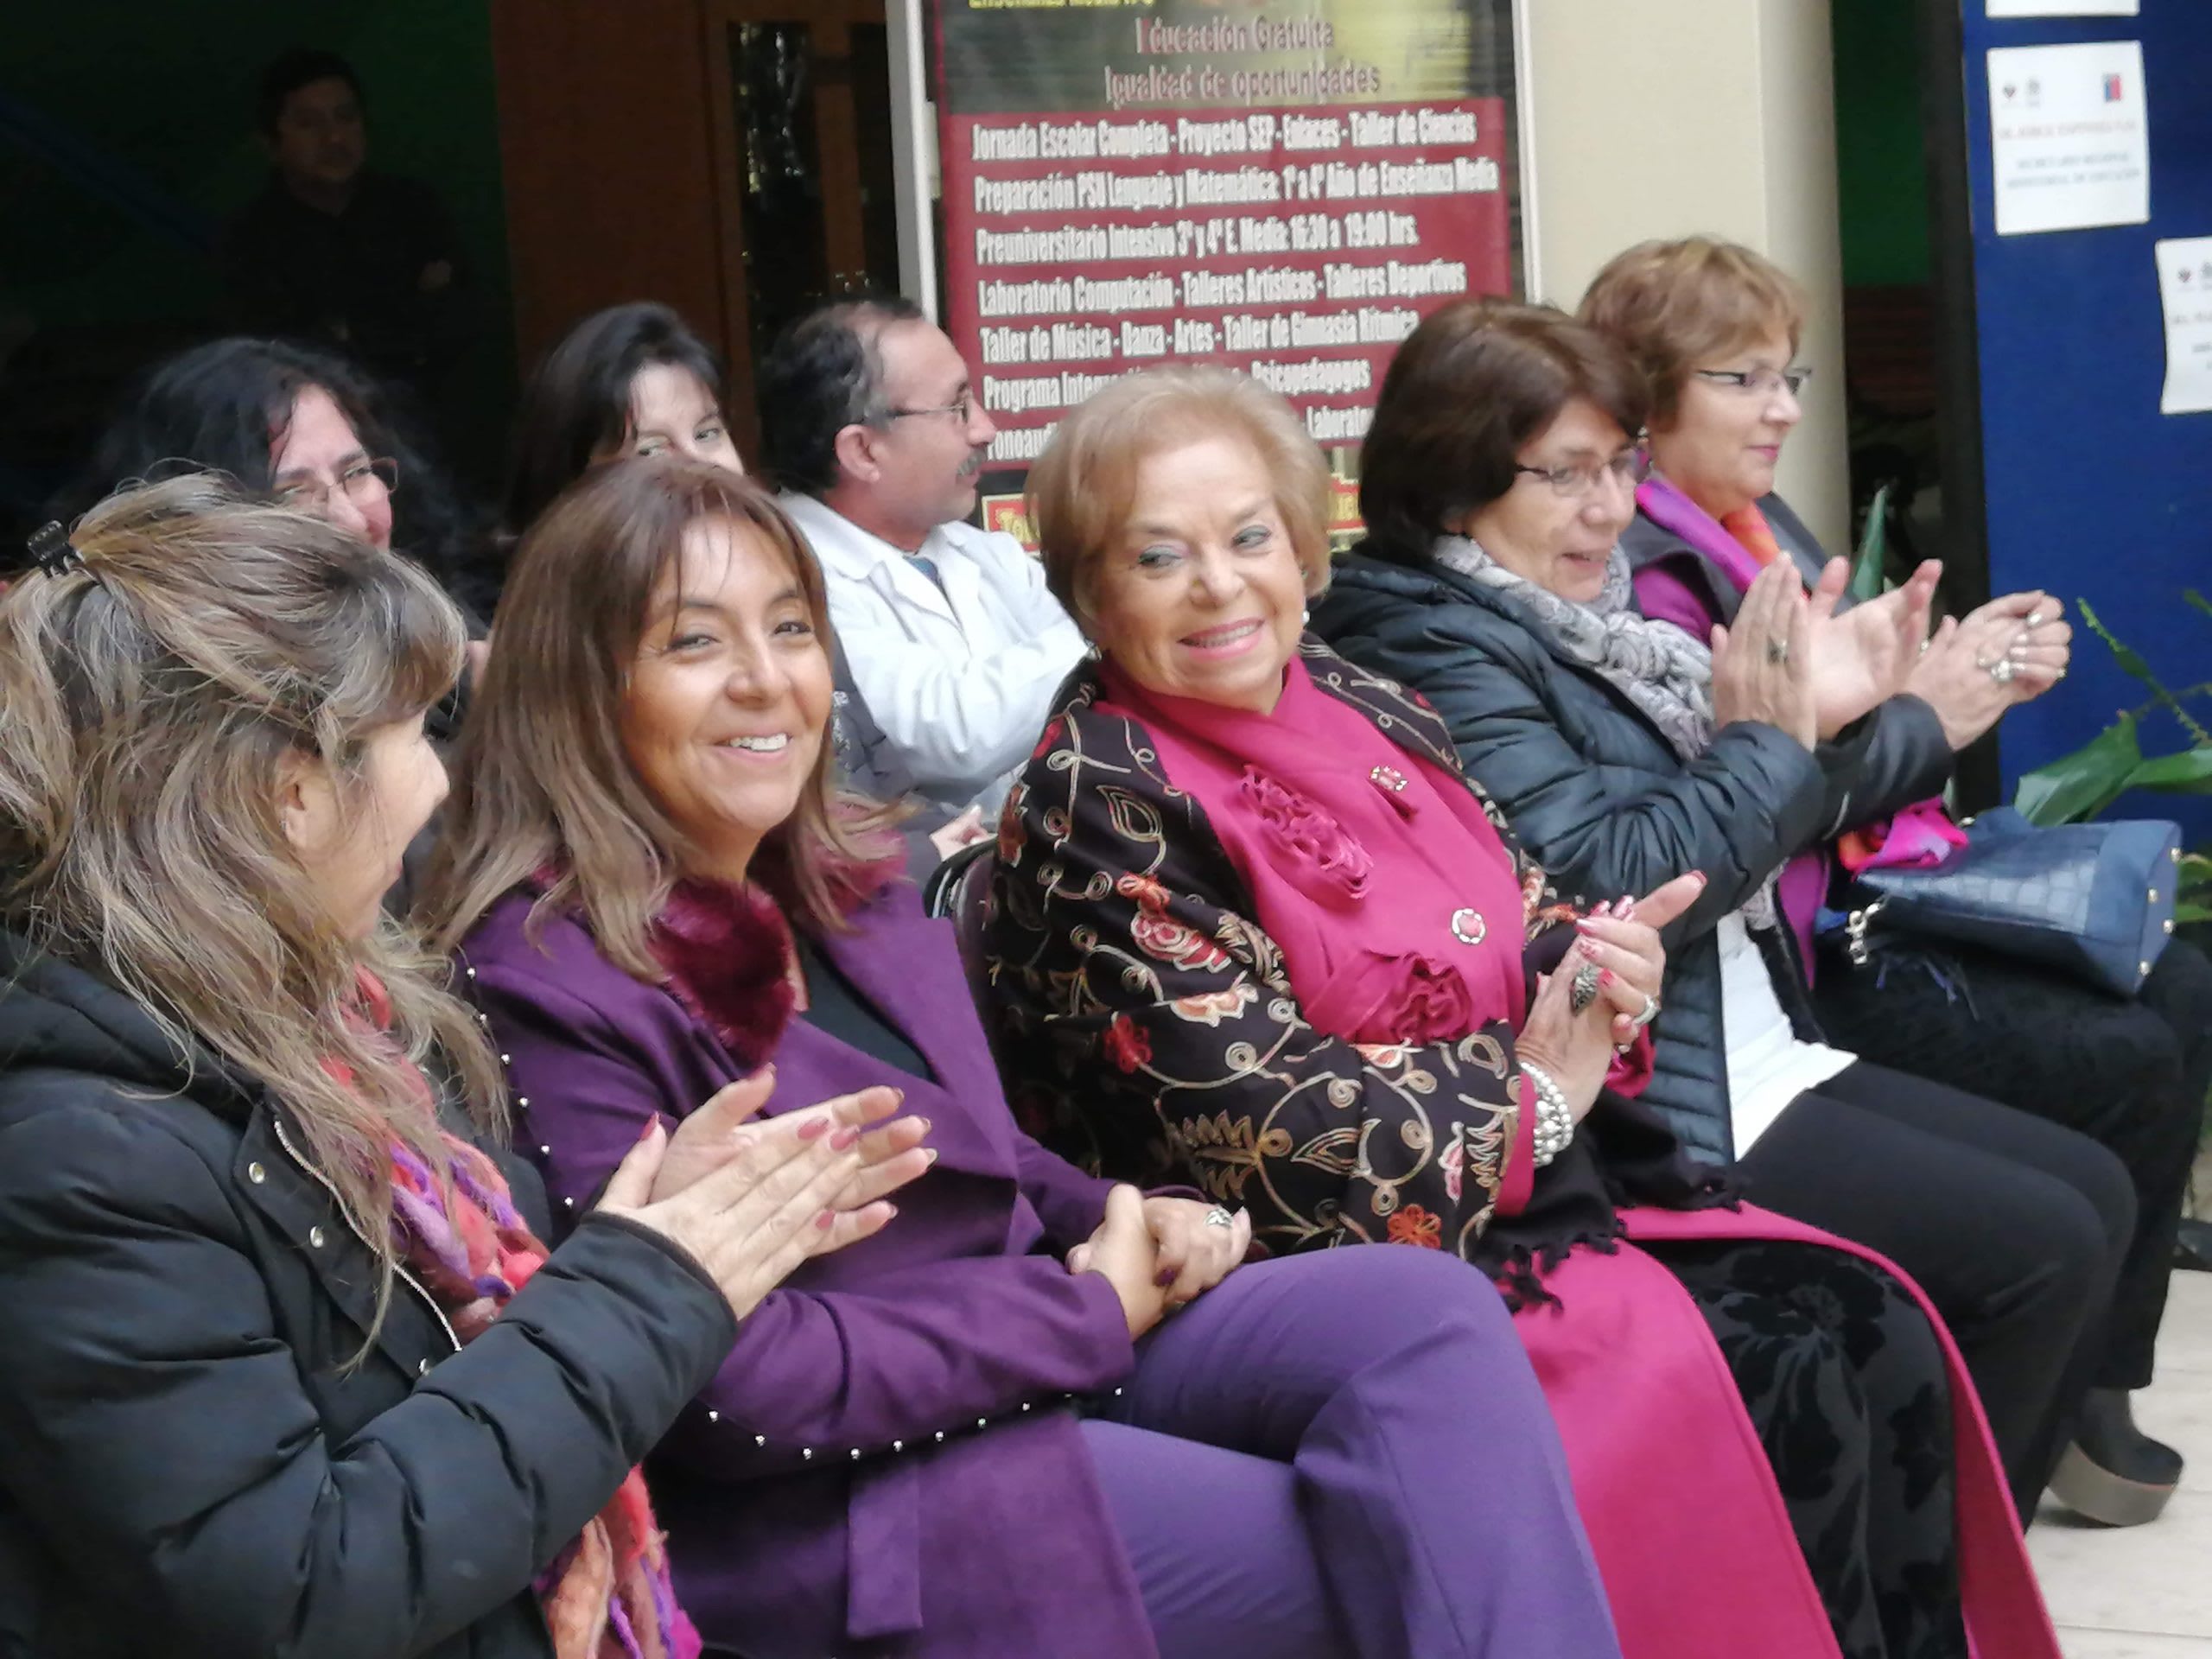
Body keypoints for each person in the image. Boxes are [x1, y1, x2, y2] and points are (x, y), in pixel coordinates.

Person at [418, 455, 1627, 1659]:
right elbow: (719, 1387)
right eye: (694, 643)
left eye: (790, 630)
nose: (764, 680)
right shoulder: (545, 975)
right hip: (851, 1489)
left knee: (1424, 1313)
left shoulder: (850, 886)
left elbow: (990, 1158)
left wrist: (1128, 1213)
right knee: (1354, 1544)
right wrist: (1079, 1308)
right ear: (581, 690)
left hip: (1033, 1352)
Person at [983, 365, 2062, 1659]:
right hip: (1317, 1265)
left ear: (1301, 547)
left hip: (1523, 1191)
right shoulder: (1098, 797)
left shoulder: (1360, 698)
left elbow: (1526, 907)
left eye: (1249, 537)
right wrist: (1535, 1094)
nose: (1219, 586)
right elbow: (1262, 1128)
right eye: (1159, 557)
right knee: (1779, 1362)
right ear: (1092, 592)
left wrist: (1605, 968)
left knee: (1872, 1326)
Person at [0, 474, 931, 1658]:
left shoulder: (332, 1016)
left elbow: (449, 1375)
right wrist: (647, 1288)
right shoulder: (79, 1150)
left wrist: (646, 1238)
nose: (439, 778)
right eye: (412, 731)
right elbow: (298, 1583)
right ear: (291, 793)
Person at [1308, 296, 2139, 1527]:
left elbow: (1749, 793)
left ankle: (1930, 1572)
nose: (1611, 508)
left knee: (2093, 1194)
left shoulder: (1580, 615)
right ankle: (1902, 1585)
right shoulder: (1424, 639)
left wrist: (1843, 713)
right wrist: (1778, 735)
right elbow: (1610, 881)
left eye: (1621, 465)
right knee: (2042, 1247)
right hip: (1641, 1094)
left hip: (1740, 1032)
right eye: (1566, 475)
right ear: (1449, 484)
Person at [1581, 238, 2211, 1524]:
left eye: (1791, 375)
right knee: (2125, 1064)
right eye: (1742, 379)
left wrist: (1947, 683)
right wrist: (1929, 716)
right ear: (1644, 398)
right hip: (1801, 952)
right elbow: (1761, 801)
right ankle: (2059, 1398)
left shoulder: (1755, 526)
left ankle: (2091, 1382)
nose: (1783, 409)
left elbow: (1840, 733)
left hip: (1858, 897)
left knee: (2183, 986)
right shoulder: (1647, 572)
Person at [500, 300, 987, 868]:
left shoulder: (774, 584)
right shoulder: (553, 646)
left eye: (708, 432)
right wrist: (917, 861)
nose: (697, 463)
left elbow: (881, 781)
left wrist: (939, 844)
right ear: (570, 482)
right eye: (651, 448)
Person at [756, 294, 1087, 837]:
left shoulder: (985, 553)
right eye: (957, 408)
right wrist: (1113, 623)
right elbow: (954, 734)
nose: (985, 429)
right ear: (863, 451)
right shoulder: (785, 575)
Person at [65, 334, 493, 634]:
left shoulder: (449, 651)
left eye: (356, 473)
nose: (350, 521)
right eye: (291, 493)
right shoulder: (174, 708)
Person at [219, 48, 474, 429]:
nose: (335, 138)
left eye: (346, 117)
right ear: (271, 144)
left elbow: (457, 323)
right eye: (309, 124)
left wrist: (356, 331)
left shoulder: (413, 208)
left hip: (430, 419)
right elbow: (279, 357)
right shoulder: (252, 238)